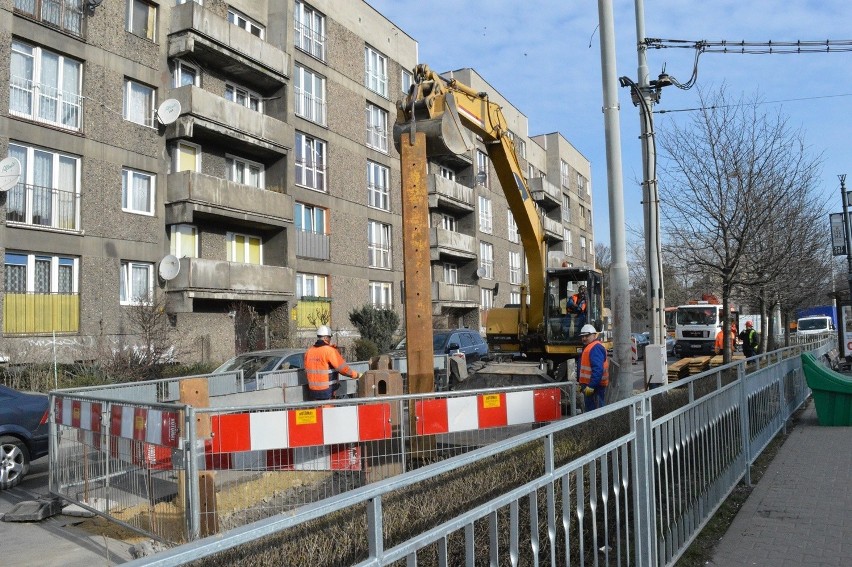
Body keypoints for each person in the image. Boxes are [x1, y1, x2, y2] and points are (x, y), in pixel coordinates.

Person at [304, 325, 361, 401]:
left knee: (317, 412)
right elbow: (343, 369)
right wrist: (356, 375)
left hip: (312, 392)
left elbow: (306, 371)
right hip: (327, 392)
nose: (330, 339)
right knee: (328, 412)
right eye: (330, 337)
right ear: (325, 338)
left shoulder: (309, 351)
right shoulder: (330, 351)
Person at [578, 324, 608, 411]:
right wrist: (581, 383)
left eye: (587, 336)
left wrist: (591, 386)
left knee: (596, 413)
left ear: (594, 335)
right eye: (582, 336)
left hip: (595, 387)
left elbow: (598, 370)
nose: (584, 338)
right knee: (593, 412)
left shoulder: (595, 348)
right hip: (590, 386)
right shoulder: (590, 347)